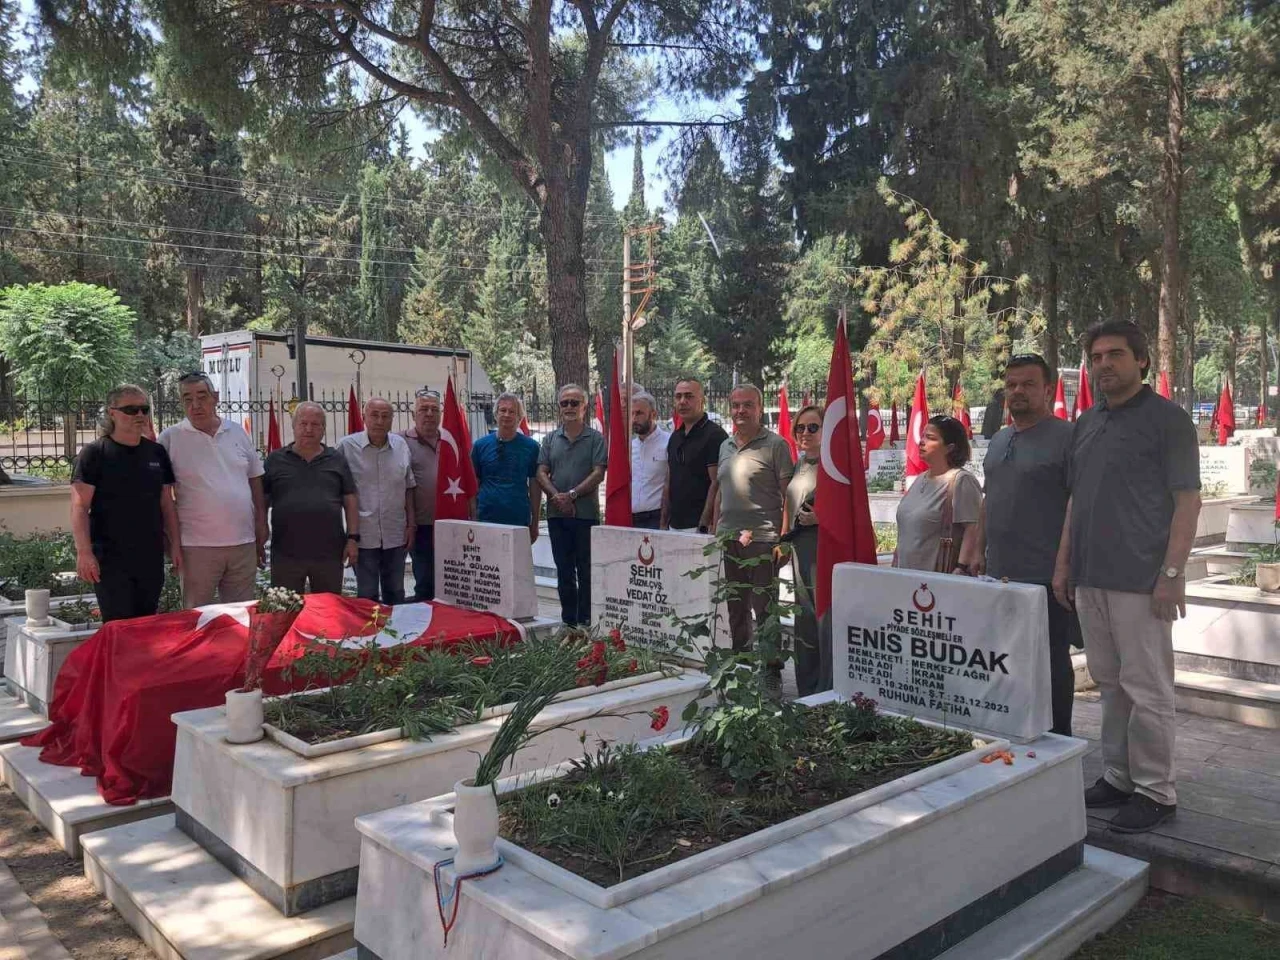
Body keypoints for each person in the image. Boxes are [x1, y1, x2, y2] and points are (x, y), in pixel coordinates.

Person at [1053, 320, 1200, 833]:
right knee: (1110, 684)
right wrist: (1064, 564)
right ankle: (1119, 776)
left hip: (1142, 579)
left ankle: (1157, 791)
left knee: (1147, 687)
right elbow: (1076, 500)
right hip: (1090, 577)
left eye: (1115, 354)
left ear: (1141, 360)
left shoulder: (1168, 420)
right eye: (1096, 357)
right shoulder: (1086, 423)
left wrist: (1172, 573)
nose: (1103, 365)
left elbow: (1187, 501)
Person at [977, 355, 1077, 735]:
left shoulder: (1068, 437)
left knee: (1050, 664)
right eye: (1012, 384)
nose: (1018, 391)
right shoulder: (1000, 439)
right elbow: (989, 498)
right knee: (1003, 661)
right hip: (998, 575)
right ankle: (1011, 733)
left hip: (1047, 578)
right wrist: (975, 552)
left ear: (1048, 390)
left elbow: (1078, 504)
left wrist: (1064, 567)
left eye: (1028, 384)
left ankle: (1058, 741)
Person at [70, 385, 181, 621]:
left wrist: (175, 545)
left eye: (144, 409)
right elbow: (79, 507)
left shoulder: (156, 452)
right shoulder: (94, 454)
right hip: (110, 559)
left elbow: (167, 504)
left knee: (145, 623)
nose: (140, 415)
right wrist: (84, 552)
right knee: (118, 626)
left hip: (150, 556)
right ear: (112, 413)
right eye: (131, 410)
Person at [159, 372, 267, 607]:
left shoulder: (237, 432)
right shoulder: (169, 439)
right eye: (187, 399)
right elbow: (163, 496)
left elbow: (255, 479)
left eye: (202, 396)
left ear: (215, 397)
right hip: (196, 546)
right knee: (198, 617)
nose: (195, 405)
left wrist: (261, 522)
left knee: (241, 615)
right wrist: (172, 542)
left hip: (243, 542)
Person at [715, 384, 793, 654]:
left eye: (748, 405)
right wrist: (715, 528)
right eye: (736, 405)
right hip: (729, 537)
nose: (741, 410)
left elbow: (789, 496)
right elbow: (720, 490)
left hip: (763, 539)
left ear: (760, 409)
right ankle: (742, 661)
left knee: (765, 608)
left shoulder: (776, 445)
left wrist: (785, 539)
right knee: (735, 606)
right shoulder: (724, 446)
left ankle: (771, 667)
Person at [263, 402, 359, 595]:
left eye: (315, 424)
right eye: (303, 423)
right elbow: (261, 502)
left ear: (323, 428)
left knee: (328, 606)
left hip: (329, 552)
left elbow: (350, 500)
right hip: (286, 553)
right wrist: (260, 535)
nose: (309, 429)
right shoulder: (274, 460)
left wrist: (353, 538)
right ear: (293, 426)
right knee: (286, 606)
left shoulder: (337, 459)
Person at [537, 383, 607, 625]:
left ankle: (586, 621)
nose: (569, 407)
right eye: (564, 403)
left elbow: (599, 473)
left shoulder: (595, 438)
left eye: (574, 402)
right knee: (564, 570)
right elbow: (541, 472)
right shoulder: (550, 439)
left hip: (585, 515)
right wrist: (557, 496)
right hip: (557, 515)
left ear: (584, 407)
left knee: (586, 570)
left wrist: (573, 495)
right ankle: (568, 622)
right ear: (559, 407)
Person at [338, 397, 416, 604]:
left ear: (392, 420)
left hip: (395, 533)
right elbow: (337, 492)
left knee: (396, 592)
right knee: (367, 596)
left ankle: (397, 625)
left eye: (385, 416)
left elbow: (409, 488)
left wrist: (411, 525)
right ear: (364, 417)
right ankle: (369, 627)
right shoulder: (346, 447)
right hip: (363, 535)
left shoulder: (401, 446)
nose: (380, 421)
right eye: (374, 415)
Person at [893, 415, 983, 574]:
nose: (922, 442)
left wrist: (961, 567)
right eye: (922, 436)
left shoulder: (961, 481)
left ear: (950, 447)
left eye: (930, 438)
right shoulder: (920, 479)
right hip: (905, 576)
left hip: (938, 578)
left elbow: (973, 527)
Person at [783, 404, 831, 696]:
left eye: (813, 427)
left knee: (822, 618)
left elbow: (849, 512)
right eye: (800, 428)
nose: (805, 433)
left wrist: (821, 518)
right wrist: (782, 540)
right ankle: (807, 689)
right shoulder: (800, 464)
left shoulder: (833, 467)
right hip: (798, 549)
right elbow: (787, 504)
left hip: (821, 549)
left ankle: (826, 688)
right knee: (804, 619)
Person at [472, 392, 541, 542]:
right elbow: (473, 484)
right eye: (503, 410)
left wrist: (535, 522)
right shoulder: (479, 446)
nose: (507, 415)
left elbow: (535, 486)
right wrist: (473, 518)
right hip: (486, 518)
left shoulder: (531, 447)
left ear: (519, 417)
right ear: (496, 414)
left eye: (512, 411)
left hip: (518, 519)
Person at [662, 378, 728, 532]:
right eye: (678, 396)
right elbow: (669, 480)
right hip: (673, 525)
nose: (682, 401)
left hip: (699, 527)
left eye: (689, 396)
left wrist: (703, 524)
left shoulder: (715, 435)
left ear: (702, 401)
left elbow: (716, 483)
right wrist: (663, 522)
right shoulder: (675, 437)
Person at [401, 390, 445, 601]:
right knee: (425, 581)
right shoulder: (400, 441)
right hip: (419, 524)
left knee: (446, 582)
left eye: (434, 409)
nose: (429, 414)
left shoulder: (450, 440)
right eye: (423, 409)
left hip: (447, 523)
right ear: (413, 414)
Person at [630, 390, 669, 530]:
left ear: (653, 414)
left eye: (639, 413)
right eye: (632, 414)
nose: (634, 419)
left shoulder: (668, 442)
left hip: (657, 517)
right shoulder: (630, 447)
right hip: (632, 518)